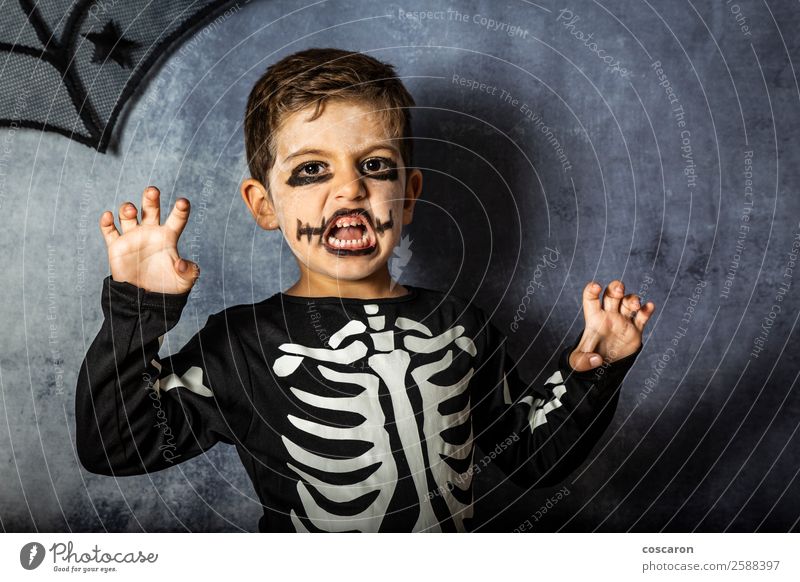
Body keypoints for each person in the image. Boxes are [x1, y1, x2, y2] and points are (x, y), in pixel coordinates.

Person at [75, 47, 655, 532]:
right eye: (311, 170)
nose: (350, 189)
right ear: (263, 205)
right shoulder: (239, 344)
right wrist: (139, 310)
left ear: (407, 194)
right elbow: (114, 446)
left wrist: (596, 369)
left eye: (375, 166)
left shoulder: (462, 327)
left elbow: (532, 460)